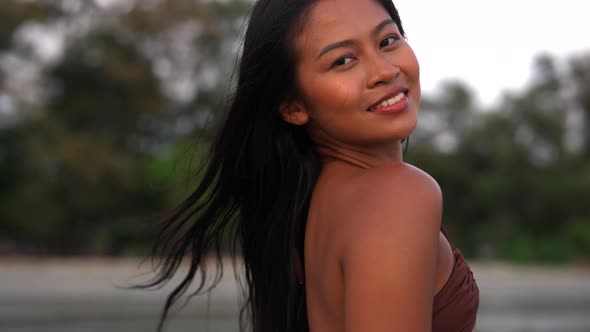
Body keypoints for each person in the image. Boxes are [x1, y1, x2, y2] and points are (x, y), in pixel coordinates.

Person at [144, 0, 479, 331]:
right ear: (293, 105)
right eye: (343, 60)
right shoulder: (398, 196)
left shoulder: (316, 208)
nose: (385, 71)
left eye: (387, 41)